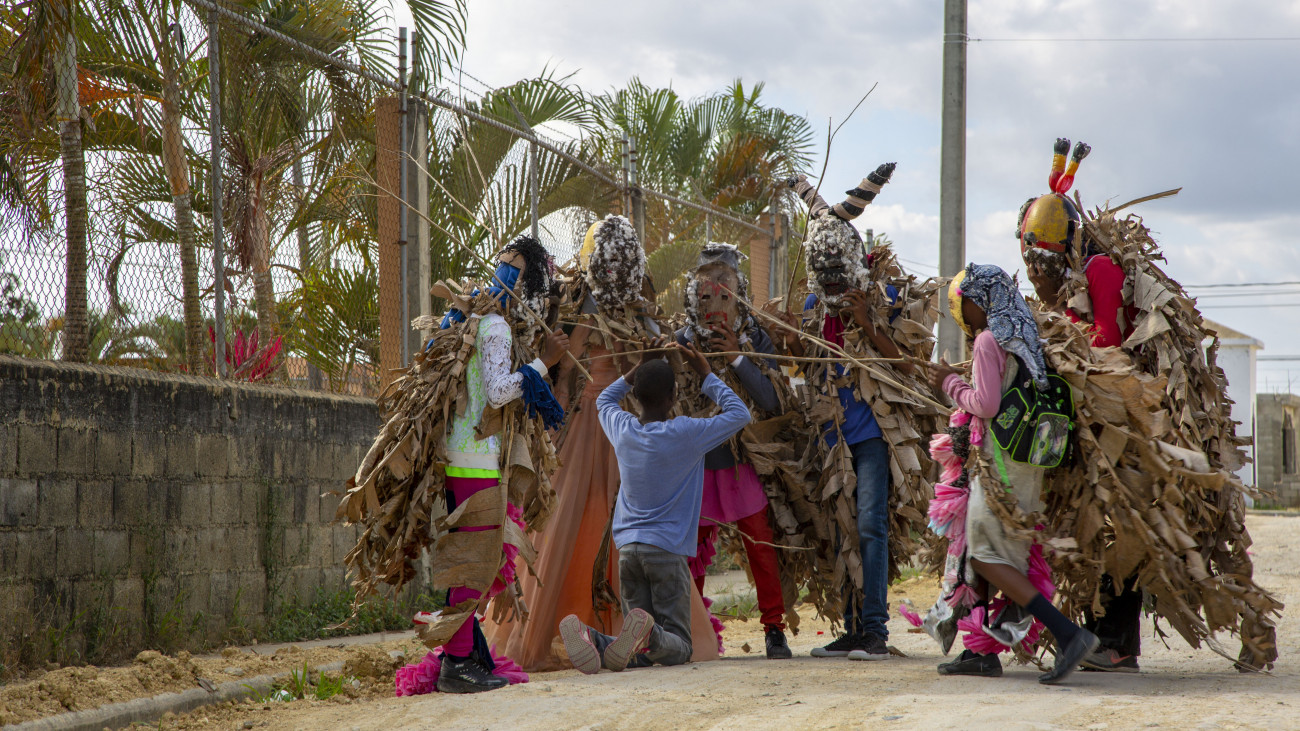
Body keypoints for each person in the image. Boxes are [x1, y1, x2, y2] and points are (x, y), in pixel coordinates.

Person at [485, 215, 720, 670]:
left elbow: (579, 375)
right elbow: (572, 373)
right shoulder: (594, 312)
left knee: (582, 517)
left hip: (602, 421)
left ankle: (601, 629)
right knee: (598, 514)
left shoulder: (622, 313)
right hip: (610, 423)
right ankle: (618, 628)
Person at [926, 263, 1099, 684]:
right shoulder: (1022, 334)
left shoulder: (990, 339)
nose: (961, 313)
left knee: (985, 557)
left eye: (963, 303)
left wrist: (949, 384)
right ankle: (980, 652)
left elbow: (985, 405)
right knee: (992, 552)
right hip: (1027, 462)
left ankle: (1068, 634)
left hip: (1000, 464)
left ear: (980, 300)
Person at [781, 165, 924, 662]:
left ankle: (876, 630)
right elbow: (805, 369)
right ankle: (852, 627)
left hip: (872, 434)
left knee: (869, 526)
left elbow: (907, 367)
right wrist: (792, 342)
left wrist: (866, 321)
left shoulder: (884, 297)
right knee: (843, 531)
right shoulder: (812, 306)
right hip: (831, 437)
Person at [1017, 138, 1142, 672]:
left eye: (1043, 267)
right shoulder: (1066, 282)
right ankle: (1089, 632)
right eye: (1031, 266)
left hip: (1118, 417)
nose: (1037, 276)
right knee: (1081, 526)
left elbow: (1109, 341)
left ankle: (1117, 642)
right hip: (1076, 418)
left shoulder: (1102, 272)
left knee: (1115, 526)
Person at [559, 340, 751, 672]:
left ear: (635, 396)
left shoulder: (624, 430)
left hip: (628, 551)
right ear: (673, 396)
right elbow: (740, 414)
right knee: (680, 646)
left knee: (638, 653)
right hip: (666, 551)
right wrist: (706, 374)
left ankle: (591, 637)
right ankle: (649, 633)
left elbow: (604, 399)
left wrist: (637, 367)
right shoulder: (687, 434)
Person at [675, 242, 792, 660]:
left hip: (743, 463)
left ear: (737, 293)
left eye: (724, 290)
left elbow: (772, 400)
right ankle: (692, 631)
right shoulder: (682, 341)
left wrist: (738, 357)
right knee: (694, 548)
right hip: (700, 464)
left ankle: (774, 628)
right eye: (706, 291)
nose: (714, 302)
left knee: (760, 542)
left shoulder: (755, 337)